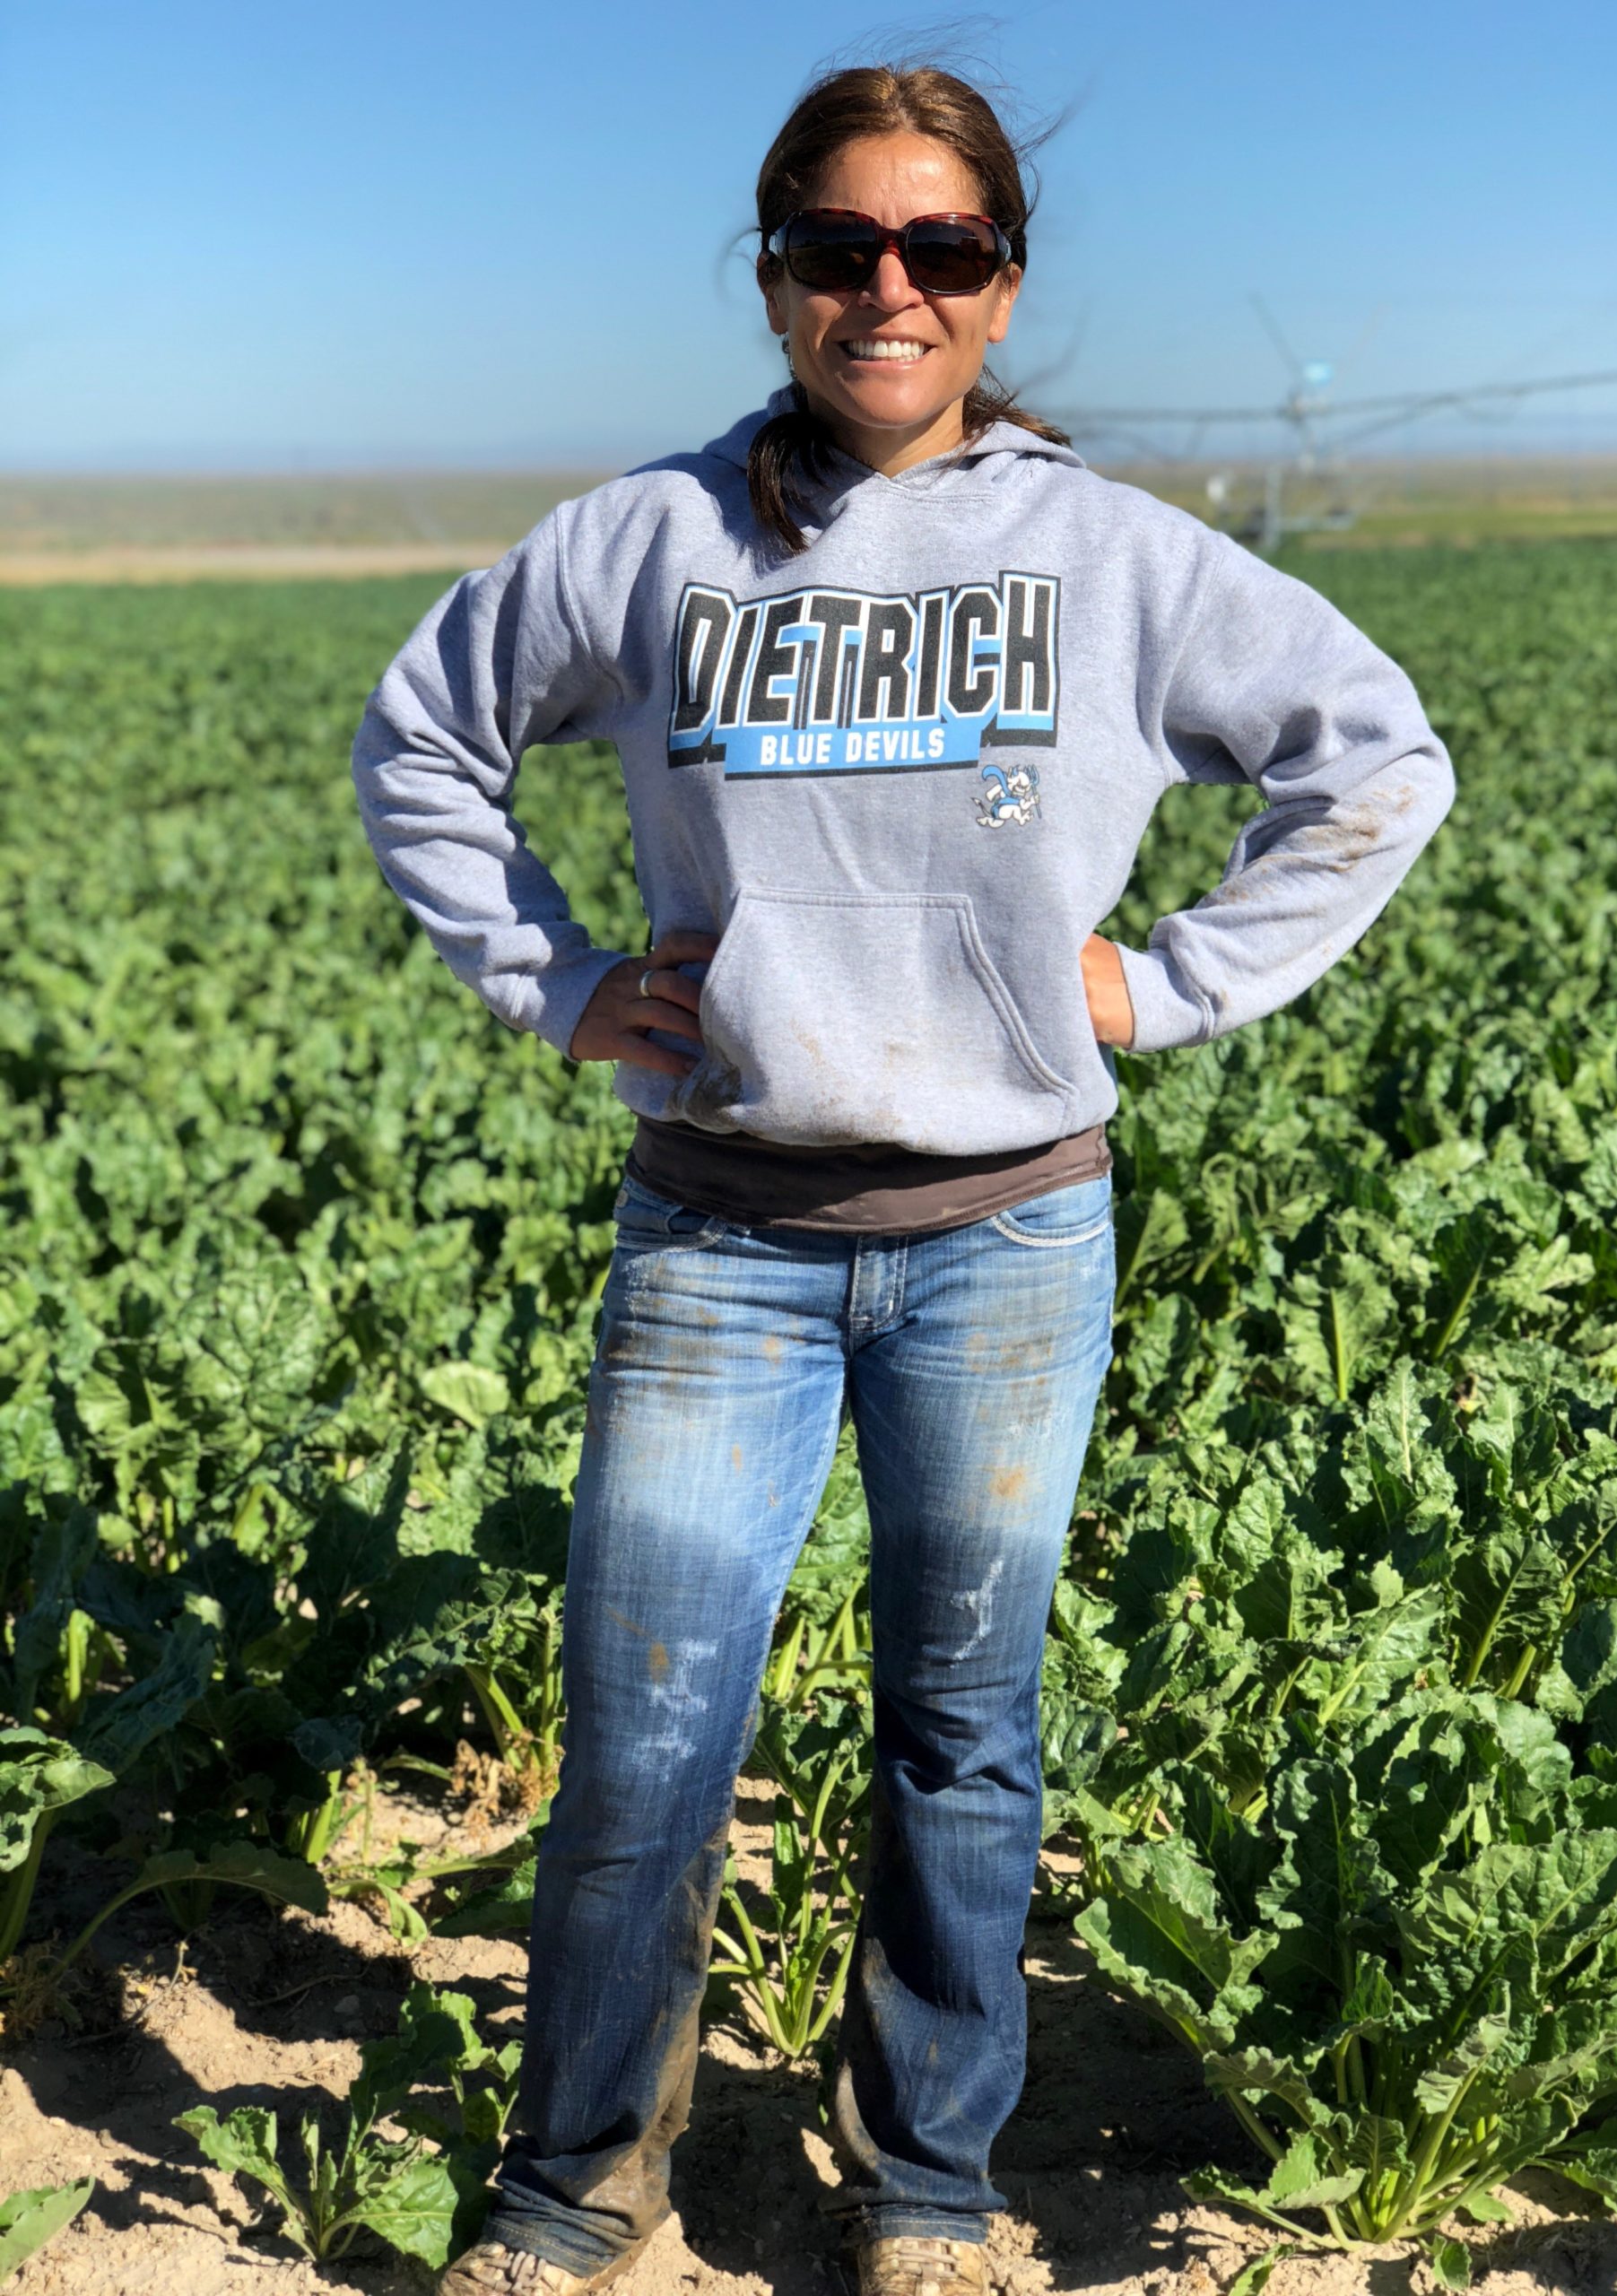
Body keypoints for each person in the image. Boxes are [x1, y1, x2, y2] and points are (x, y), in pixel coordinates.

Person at [351, 58, 1455, 2296]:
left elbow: (1378, 759)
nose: (889, 286)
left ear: (1002, 284)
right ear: (774, 273)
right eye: (841, 246)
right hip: (722, 1232)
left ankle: (931, 2188)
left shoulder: (1120, 558)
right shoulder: (653, 540)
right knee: (647, 1740)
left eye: (938, 249)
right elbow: (423, 740)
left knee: (967, 1729)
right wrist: (559, 985)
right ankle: (582, 2189)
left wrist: (1171, 984)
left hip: (1008, 1239)